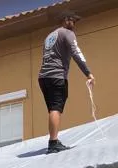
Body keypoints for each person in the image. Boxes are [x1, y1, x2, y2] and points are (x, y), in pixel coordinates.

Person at [38, 11, 94, 153]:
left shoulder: (50, 36)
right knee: (56, 108)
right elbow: (76, 53)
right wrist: (88, 73)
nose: (72, 23)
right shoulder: (67, 33)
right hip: (56, 76)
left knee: (52, 109)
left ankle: (53, 140)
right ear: (63, 21)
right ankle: (53, 142)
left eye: (74, 21)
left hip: (44, 77)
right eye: (70, 20)